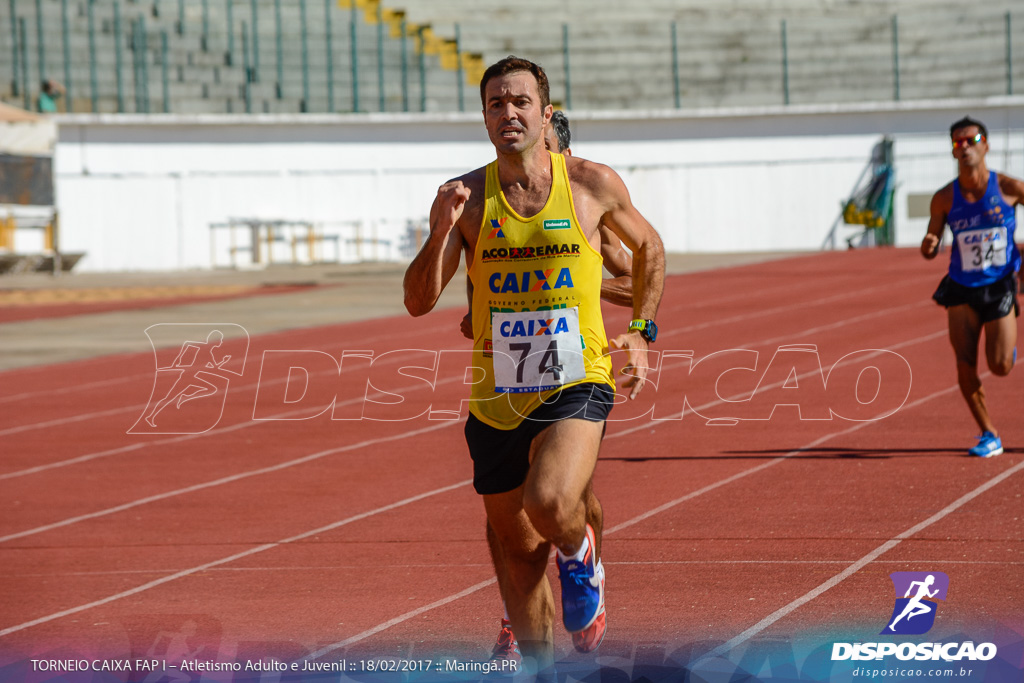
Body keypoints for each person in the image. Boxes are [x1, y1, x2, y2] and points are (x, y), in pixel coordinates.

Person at [404, 56, 665, 676]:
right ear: (485, 118)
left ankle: (580, 556)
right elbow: (418, 301)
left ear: (546, 114)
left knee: (550, 502)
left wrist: (640, 331)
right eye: (496, 104)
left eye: (521, 102)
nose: (509, 113)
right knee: (518, 560)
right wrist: (439, 231)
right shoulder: (466, 199)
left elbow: (649, 249)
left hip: (577, 375)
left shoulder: (591, 184)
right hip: (497, 395)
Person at [458, 110, 635, 661]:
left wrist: (579, 284)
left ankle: (583, 571)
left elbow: (633, 278)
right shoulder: (488, 198)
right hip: (505, 376)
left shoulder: (584, 199)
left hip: (570, 372)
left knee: (562, 496)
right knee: (507, 519)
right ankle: (520, 615)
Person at [922, 116, 1021, 457]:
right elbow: (933, 234)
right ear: (952, 151)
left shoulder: (1009, 187)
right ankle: (988, 433)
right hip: (961, 287)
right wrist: (931, 242)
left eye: (971, 140)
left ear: (986, 145)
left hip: (999, 285)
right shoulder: (943, 198)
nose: (964, 147)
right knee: (964, 362)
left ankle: (1006, 350)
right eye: (957, 142)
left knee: (1000, 367)